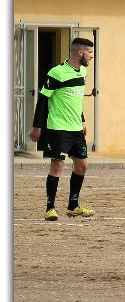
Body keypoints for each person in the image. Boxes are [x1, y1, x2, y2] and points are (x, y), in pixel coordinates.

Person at [30, 37, 95, 221]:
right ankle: (50, 208)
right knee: (57, 166)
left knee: (82, 165)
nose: (92, 56)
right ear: (80, 53)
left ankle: (73, 205)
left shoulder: (82, 72)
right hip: (58, 128)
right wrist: (37, 126)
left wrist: (82, 121)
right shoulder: (56, 73)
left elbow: (75, 100)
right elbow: (43, 100)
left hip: (76, 129)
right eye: (90, 53)